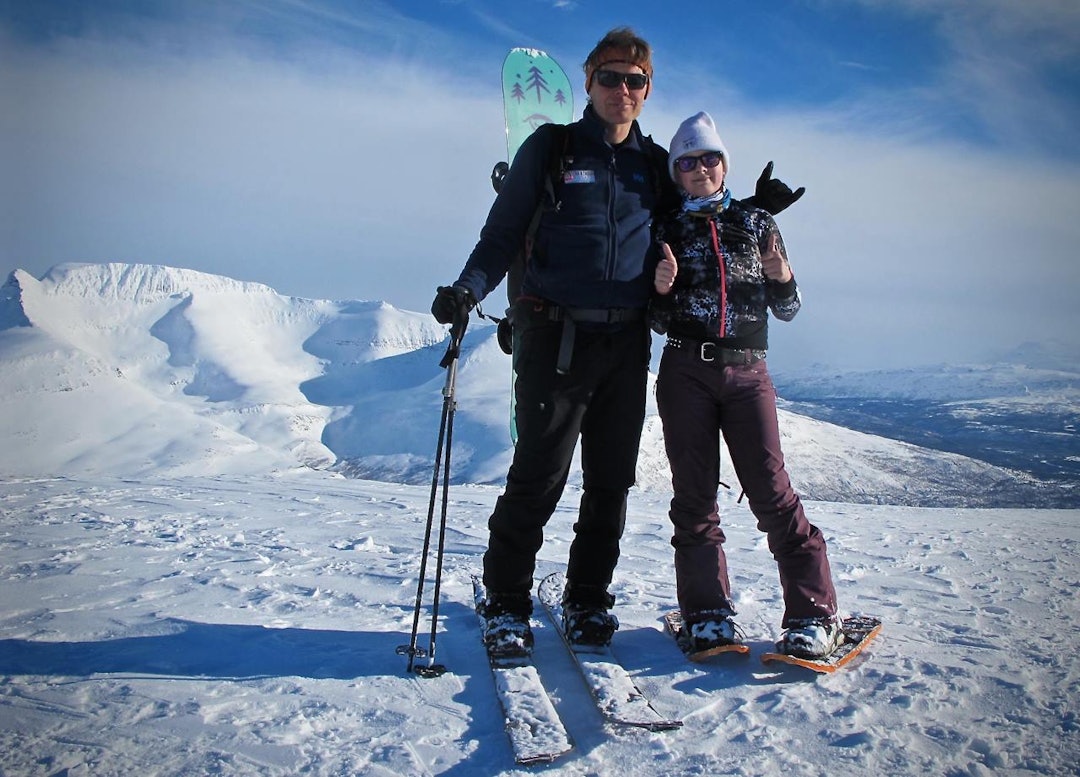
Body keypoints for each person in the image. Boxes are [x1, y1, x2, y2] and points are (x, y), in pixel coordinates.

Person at [432, 28, 804, 659]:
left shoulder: (652, 165)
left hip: (627, 341)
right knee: (539, 475)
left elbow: (699, 210)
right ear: (589, 81)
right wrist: (469, 289)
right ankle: (506, 600)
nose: (622, 89)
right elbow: (502, 232)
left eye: (635, 80)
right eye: (610, 76)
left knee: (610, 481)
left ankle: (587, 599)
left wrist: (754, 209)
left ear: (647, 89)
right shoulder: (551, 148)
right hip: (556, 334)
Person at [651, 111, 842, 659]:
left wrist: (783, 277)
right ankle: (707, 612)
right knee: (694, 496)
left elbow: (789, 309)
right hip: (685, 370)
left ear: (724, 163)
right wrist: (660, 290)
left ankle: (813, 614)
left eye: (710, 158)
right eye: (688, 162)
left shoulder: (757, 223)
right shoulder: (666, 228)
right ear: (676, 171)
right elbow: (656, 321)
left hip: (748, 371)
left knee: (772, 493)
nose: (701, 169)